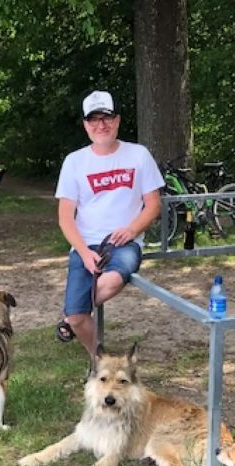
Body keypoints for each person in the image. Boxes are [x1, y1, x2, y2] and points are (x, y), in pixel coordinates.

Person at [53, 90, 164, 357]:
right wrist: (83, 252)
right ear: (85, 125)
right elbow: (65, 217)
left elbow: (153, 205)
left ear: (117, 121)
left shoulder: (139, 155)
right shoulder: (74, 162)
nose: (101, 125)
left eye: (107, 118)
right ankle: (98, 358)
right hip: (85, 243)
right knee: (79, 317)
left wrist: (132, 229)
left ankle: (69, 315)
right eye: (94, 120)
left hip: (124, 242)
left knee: (112, 280)